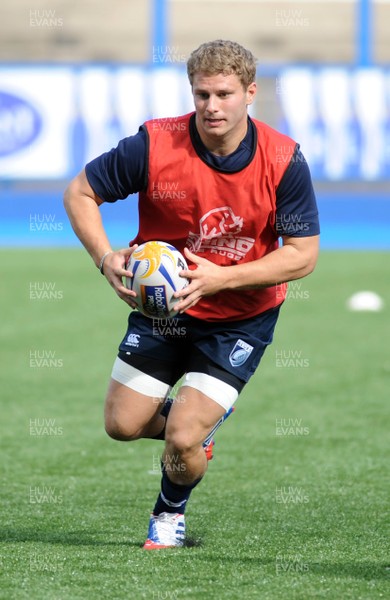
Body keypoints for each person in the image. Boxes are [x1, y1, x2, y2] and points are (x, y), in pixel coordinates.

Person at [64, 39, 320, 549]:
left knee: (181, 438)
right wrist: (105, 257)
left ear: (250, 93)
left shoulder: (283, 159)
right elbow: (79, 193)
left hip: (239, 319)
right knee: (121, 424)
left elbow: (302, 255)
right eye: (202, 95)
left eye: (224, 94)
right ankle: (196, 430)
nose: (212, 106)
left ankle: (168, 513)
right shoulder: (154, 145)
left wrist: (220, 278)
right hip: (162, 312)